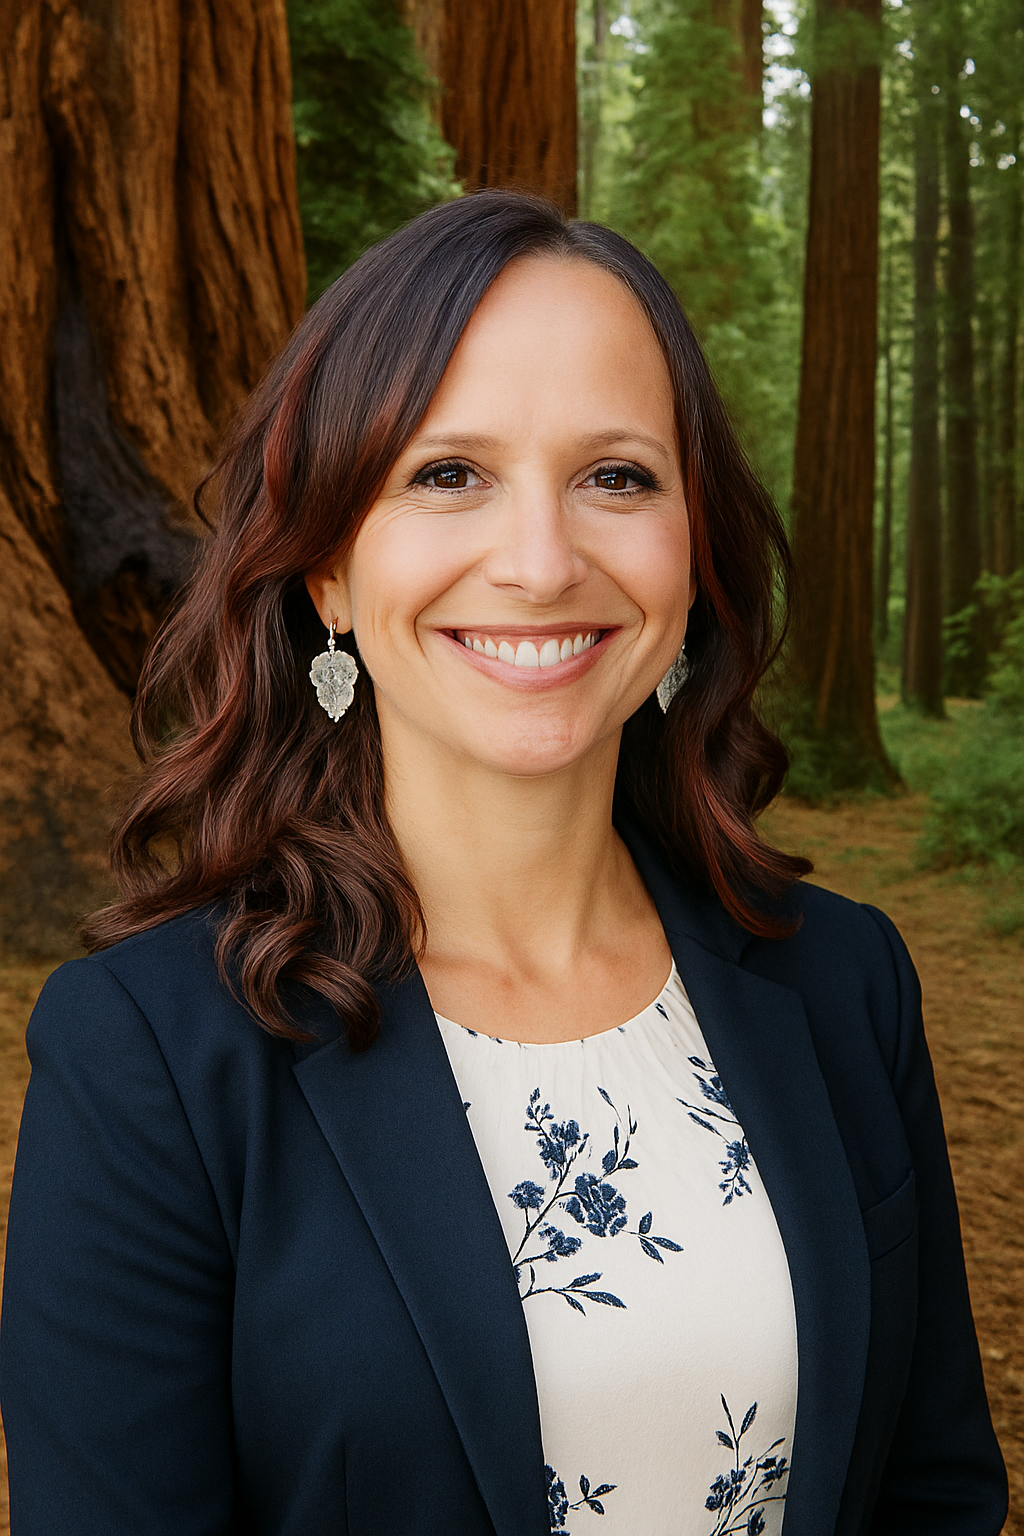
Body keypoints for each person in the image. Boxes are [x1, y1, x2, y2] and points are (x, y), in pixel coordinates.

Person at [0, 191, 1007, 1536]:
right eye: (446, 474)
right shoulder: (151, 1058)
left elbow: (929, 1490)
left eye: (617, 476)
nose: (540, 563)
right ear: (329, 575)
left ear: (693, 555)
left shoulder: (846, 984)